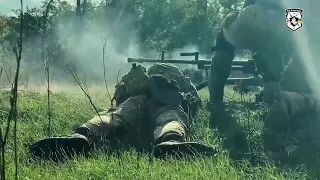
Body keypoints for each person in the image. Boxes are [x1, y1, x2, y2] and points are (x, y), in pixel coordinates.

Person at [30, 63, 216, 161]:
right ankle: (170, 142)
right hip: (167, 103)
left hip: (136, 99)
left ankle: (82, 136)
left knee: (116, 115)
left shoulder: (145, 77)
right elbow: (192, 100)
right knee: (170, 117)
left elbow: (121, 95)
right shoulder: (180, 79)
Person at [209, 0, 320, 165]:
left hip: (276, 16)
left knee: (226, 36)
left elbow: (252, 16)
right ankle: (286, 96)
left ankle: (215, 102)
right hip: (298, 19)